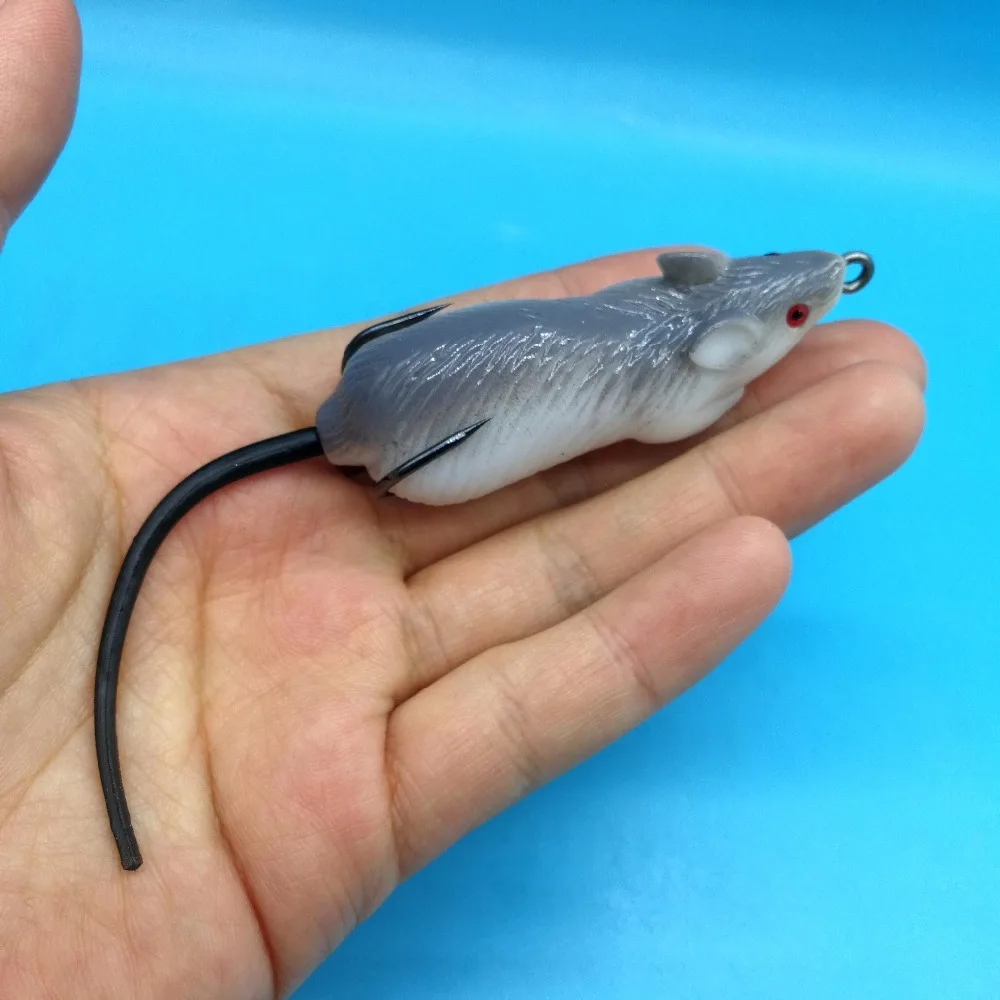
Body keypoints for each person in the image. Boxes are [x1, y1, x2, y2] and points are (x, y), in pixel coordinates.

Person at [0, 2, 926, 996]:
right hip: (414, 454)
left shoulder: (660, 301)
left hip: (382, 380)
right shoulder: (692, 356)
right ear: (722, 330)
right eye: (799, 311)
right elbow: (666, 420)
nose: (814, 305)